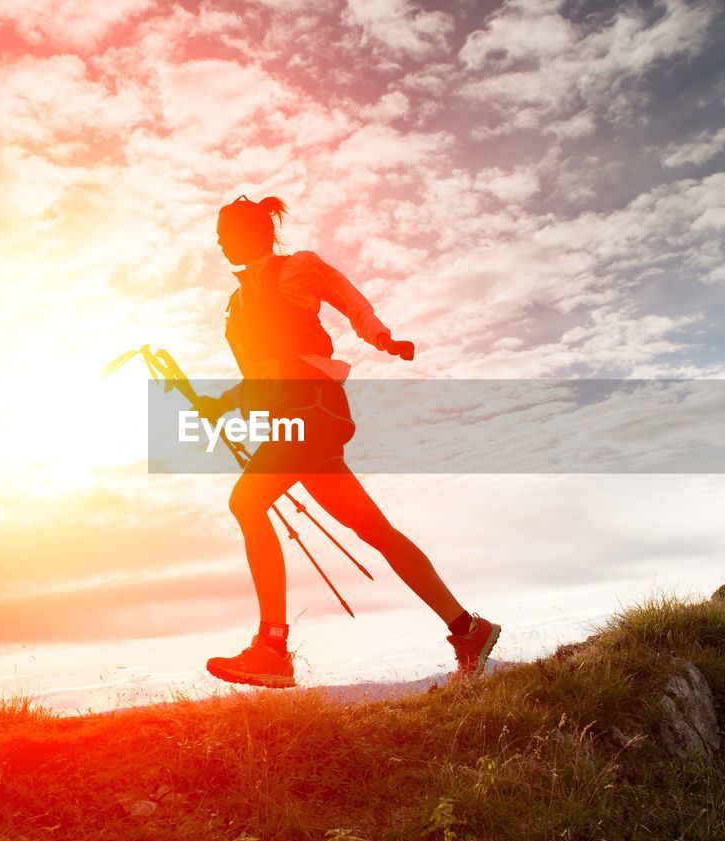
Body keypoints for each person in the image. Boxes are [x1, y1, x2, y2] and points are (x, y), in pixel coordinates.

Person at [195, 194, 500, 689]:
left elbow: (350, 301)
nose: (218, 240)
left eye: (225, 230)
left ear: (255, 232)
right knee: (374, 530)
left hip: (313, 412)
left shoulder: (297, 269)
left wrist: (384, 339)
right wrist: (222, 404)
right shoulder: (237, 303)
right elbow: (262, 374)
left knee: (247, 502)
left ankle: (271, 648)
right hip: (292, 424)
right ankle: (468, 628)